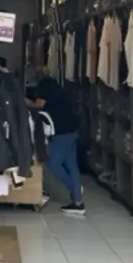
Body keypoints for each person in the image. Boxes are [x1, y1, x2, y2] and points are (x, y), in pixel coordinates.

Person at [27, 70, 85, 216]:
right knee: (72, 165)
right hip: (72, 129)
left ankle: (75, 190)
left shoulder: (44, 86)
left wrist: (24, 101)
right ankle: (78, 201)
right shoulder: (55, 85)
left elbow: (39, 104)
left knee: (53, 163)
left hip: (62, 132)